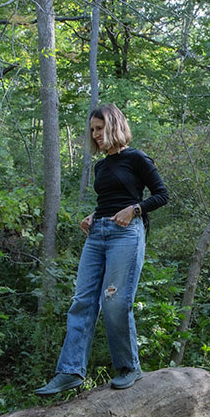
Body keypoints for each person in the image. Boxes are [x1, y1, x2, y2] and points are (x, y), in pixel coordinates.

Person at [35, 104, 169, 395]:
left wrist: (134, 209)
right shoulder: (101, 165)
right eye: (92, 130)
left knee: (115, 302)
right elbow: (108, 199)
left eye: (99, 128)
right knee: (82, 302)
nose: (95, 134)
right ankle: (70, 371)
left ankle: (129, 367)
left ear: (114, 126)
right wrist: (93, 216)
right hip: (97, 235)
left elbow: (162, 195)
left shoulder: (136, 159)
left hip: (126, 235)